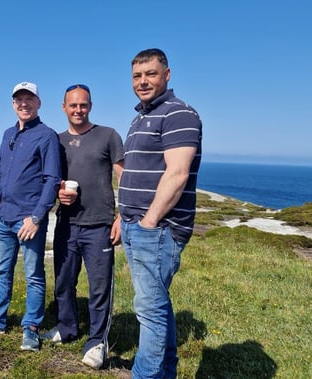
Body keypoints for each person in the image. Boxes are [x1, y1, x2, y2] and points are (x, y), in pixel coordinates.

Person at [112, 48, 202, 378]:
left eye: (151, 73)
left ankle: (145, 375)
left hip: (158, 228)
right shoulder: (140, 117)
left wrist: (149, 222)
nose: (143, 81)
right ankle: (166, 373)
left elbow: (177, 174)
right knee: (157, 304)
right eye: (137, 76)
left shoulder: (179, 114)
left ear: (167, 74)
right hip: (138, 225)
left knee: (149, 310)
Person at [0, 81, 61, 352]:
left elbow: (52, 179)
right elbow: (2, 173)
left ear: (38, 103)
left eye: (29, 99)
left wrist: (37, 217)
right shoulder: (8, 134)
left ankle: (30, 328)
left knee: (33, 275)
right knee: (1, 271)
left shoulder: (47, 135)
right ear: (13, 104)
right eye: (19, 100)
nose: (24, 104)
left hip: (28, 219)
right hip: (3, 217)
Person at [40, 84, 124, 370]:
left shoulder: (108, 135)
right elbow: (51, 180)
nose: (78, 110)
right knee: (64, 282)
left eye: (83, 105)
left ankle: (97, 342)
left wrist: (122, 217)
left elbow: (123, 176)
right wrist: (59, 193)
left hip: (99, 224)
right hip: (66, 223)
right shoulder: (57, 141)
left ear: (90, 106)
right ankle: (67, 328)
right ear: (63, 107)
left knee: (100, 287)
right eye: (73, 105)